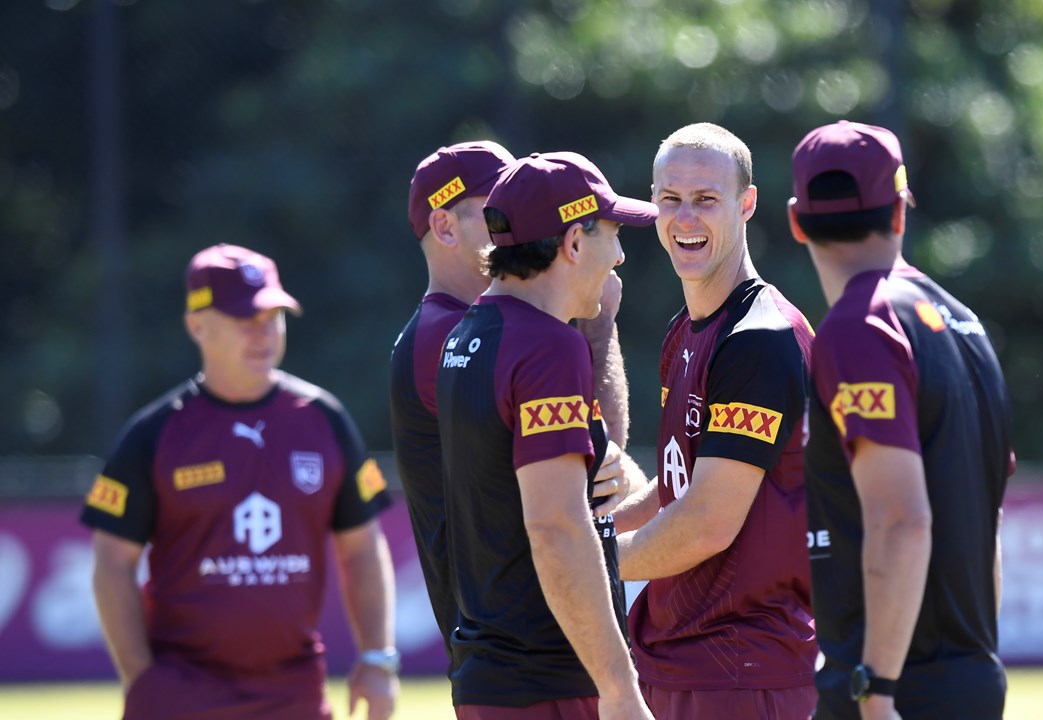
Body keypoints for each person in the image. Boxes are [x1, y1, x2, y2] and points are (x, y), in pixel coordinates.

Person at [81, 243, 399, 720]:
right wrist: (141, 678)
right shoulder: (154, 434)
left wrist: (377, 658)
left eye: (273, 317)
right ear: (197, 324)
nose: (263, 334)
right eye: (244, 319)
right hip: (180, 694)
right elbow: (111, 564)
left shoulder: (324, 419)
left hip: (295, 696)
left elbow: (363, 549)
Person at [786, 120, 1014, 720]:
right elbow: (985, 519)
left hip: (898, 688)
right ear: (899, 211)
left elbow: (901, 518)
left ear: (796, 220)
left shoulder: (860, 327)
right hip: (963, 678)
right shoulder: (965, 321)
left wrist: (875, 688)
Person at [391, 141, 636, 669]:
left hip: (510, 647)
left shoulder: (502, 329)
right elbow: (587, 488)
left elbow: (599, 462)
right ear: (445, 226)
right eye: (496, 203)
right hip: (524, 650)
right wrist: (593, 323)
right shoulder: (459, 333)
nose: (516, 213)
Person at [436, 151, 657, 719]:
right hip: (547, 683)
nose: (622, 255)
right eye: (612, 234)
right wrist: (619, 686)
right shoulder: (547, 345)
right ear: (574, 244)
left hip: (492, 675)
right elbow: (555, 524)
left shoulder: (468, 332)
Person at [612, 123, 817, 719]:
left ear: (746, 204)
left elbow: (706, 522)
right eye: (670, 200)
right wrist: (587, 529)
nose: (685, 219)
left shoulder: (759, 340)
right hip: (680, 660)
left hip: (741, 672)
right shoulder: (688, 328)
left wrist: (587, 561)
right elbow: (681, 486)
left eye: (706, 200)